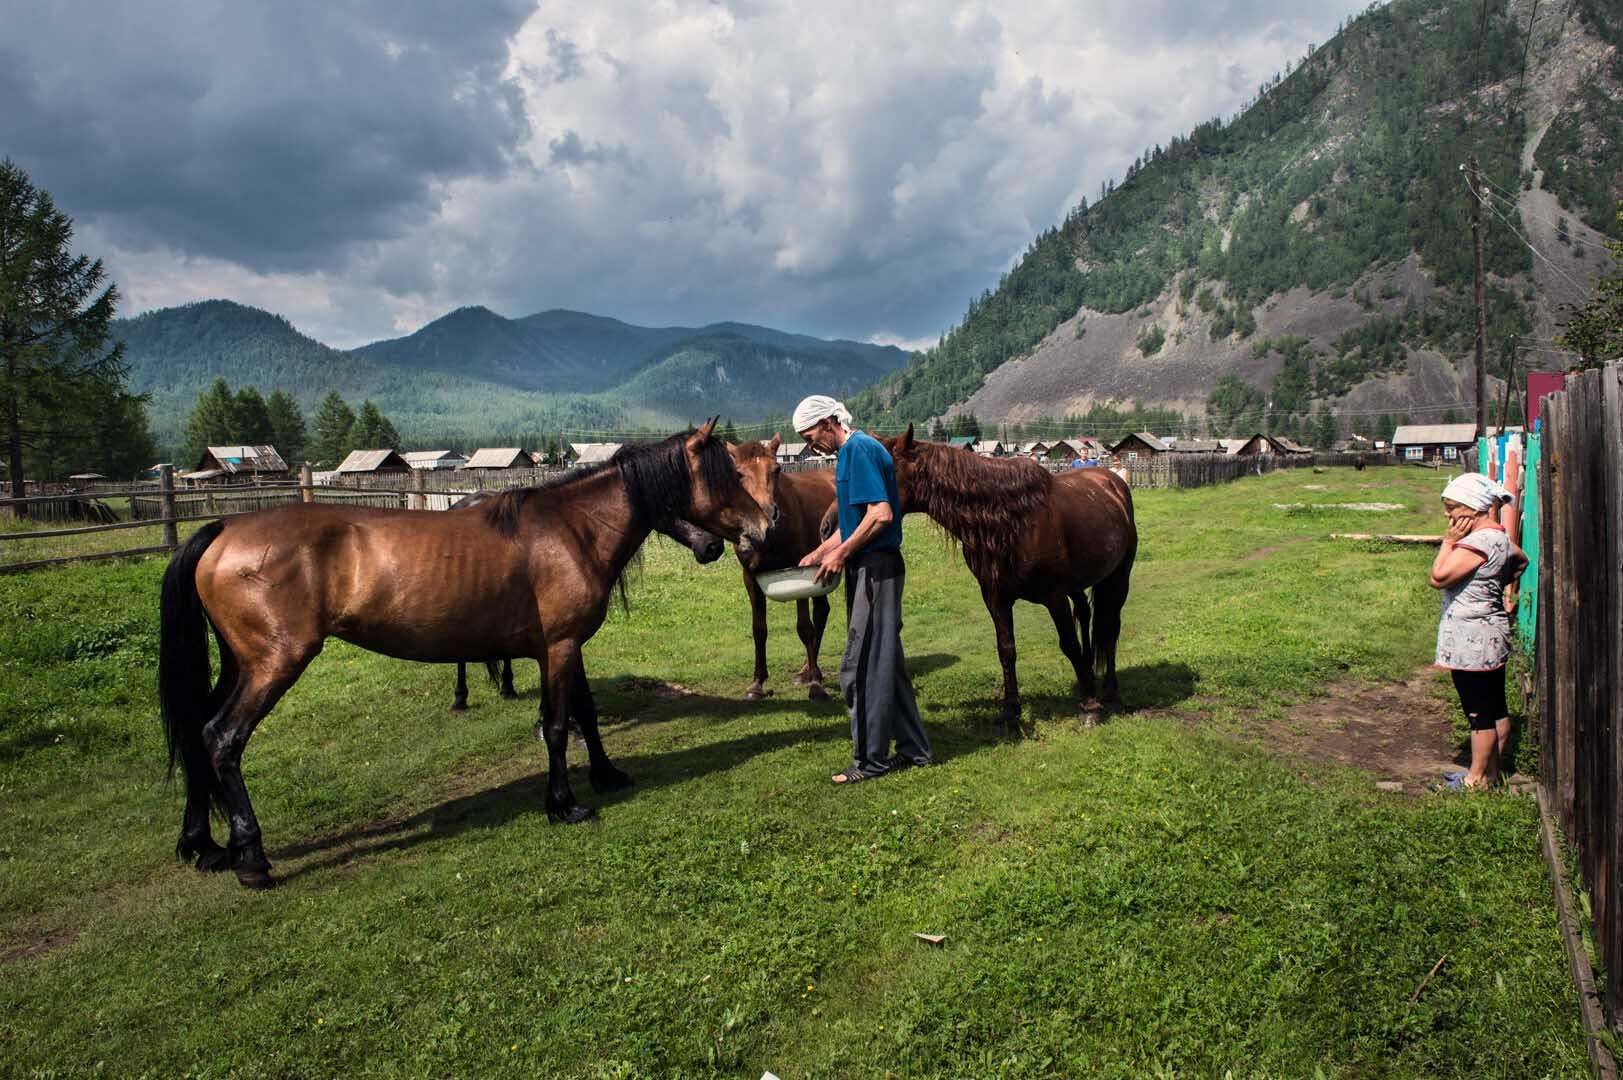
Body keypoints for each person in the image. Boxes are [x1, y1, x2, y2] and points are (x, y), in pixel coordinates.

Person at [793, 395, 933, 783]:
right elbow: (855, 521)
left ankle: (870, 761)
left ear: (827, 423)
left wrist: (842, 553)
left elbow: (881, 514)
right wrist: (821, 551)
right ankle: (915, 750)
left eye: (810, 437)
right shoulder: (849, 454)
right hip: (868, 566)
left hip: (876, 568)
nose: (811, 447)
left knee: (858, 668)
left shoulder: (859, 450)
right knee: (887, 663)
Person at [1429, 473, 1528, 790]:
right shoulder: (1499, 537)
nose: (1447, 515)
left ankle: (1474, 780)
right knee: (1495, 705)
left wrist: (1448, 542)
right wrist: (1495, 583)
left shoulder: (1477, 542)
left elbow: (1439, 577)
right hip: (1491, 631)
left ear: (1471, 508)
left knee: (1478, 712)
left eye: (1452, 508)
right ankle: (1491, 775)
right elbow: (1521, 560)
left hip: (1471, 637)